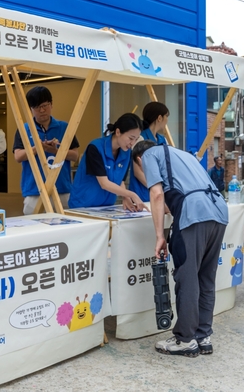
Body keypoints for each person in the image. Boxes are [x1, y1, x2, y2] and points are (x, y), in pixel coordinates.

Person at [132, 140, 228, 357]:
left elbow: (156, 194)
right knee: (206, 277)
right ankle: (203, 336)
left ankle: (185, 339)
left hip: (193, 216)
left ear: (139, 160)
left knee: (187, 277)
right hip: (218, 211)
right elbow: (175, 194)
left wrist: (159, 236)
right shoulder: (182, 154)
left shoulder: (148, 156)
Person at [12, 86, 80, 214]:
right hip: (34, 190)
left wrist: (55, 151)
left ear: (51, 104)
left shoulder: (64, 127)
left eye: (45, 105)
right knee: (35, 229)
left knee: (64, 228)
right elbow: (18, 156)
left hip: (62, 189)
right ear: (30, 109)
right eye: (37, 107)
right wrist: (39, 148)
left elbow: (74, 156)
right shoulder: (24, 129)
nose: (42, 110)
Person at [68, 113, 145, 210]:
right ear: (118, 132)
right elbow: (104, 183)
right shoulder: (95, 148)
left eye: (136, 139)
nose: (132, 143)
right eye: (130, 138)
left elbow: (120, 181)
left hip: (106, 207)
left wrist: (126, 197)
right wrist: (132, 194)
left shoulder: (127, 153)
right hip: (83, 205)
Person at [129, 102, 169, 203]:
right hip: (142, 194)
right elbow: (137, 171)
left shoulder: (163, 140)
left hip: (159, 194)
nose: (167, 120)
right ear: (159, 118)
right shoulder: (139, 138)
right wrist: (155, 188)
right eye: (166, 116)